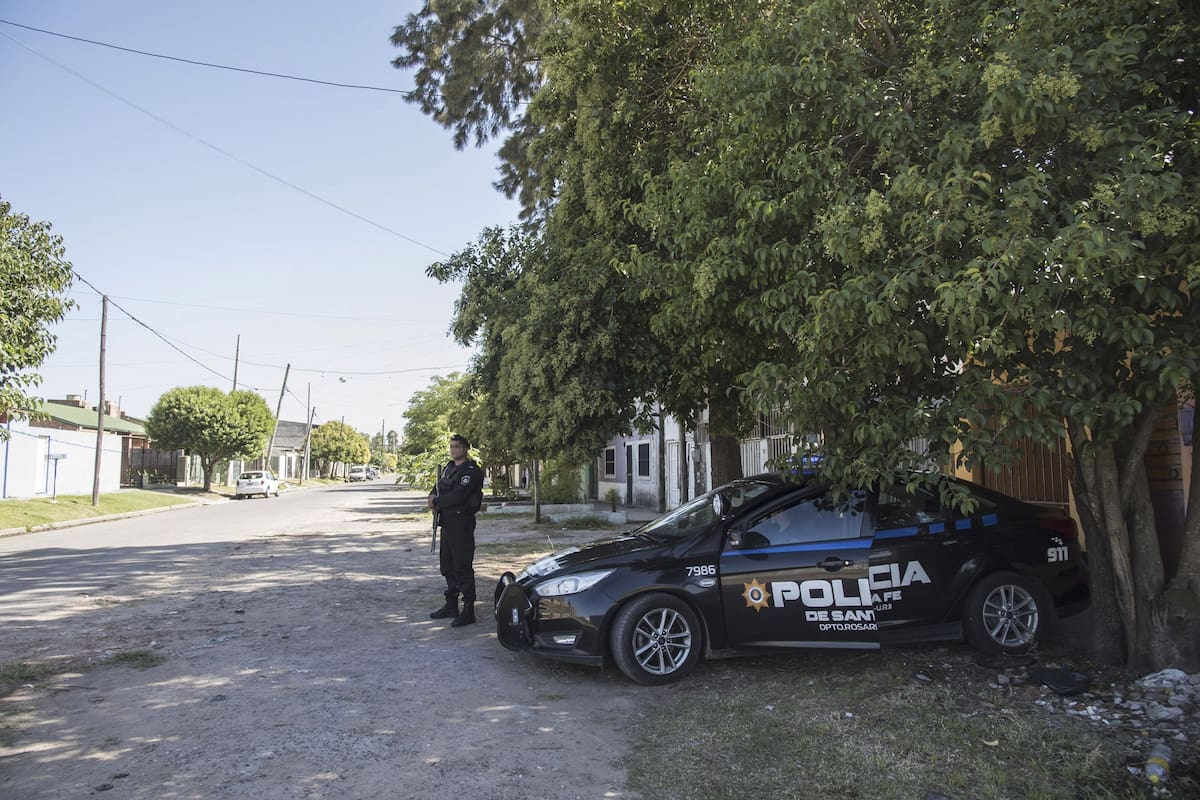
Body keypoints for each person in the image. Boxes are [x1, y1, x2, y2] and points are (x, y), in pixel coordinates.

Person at [427, 434, 485, 627]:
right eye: (451, 446)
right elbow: (437, 488)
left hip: (462, 523)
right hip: (447, 523)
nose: (454, 450)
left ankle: (469, 610)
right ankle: (451, 604)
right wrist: (432, 496)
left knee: (462, 567)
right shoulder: (448, 468)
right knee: (447, 566)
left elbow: (459, 496)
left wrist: (437, 501)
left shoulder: (471, 471)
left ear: (466, 449)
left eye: (457, 447)